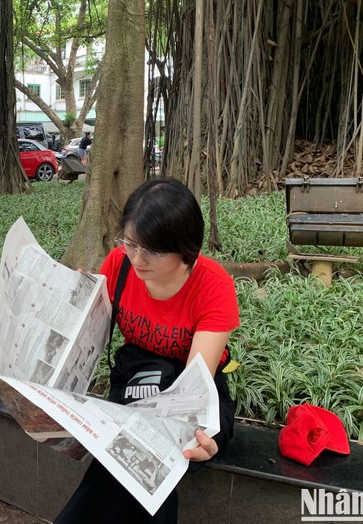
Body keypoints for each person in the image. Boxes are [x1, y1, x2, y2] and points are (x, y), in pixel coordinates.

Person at [55, 177, 239, 524]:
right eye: (130, 243)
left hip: (196, 389)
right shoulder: (119, 264)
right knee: (130, 446)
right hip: (136, 376)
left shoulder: (213, 285)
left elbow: (194, 386)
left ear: (186, 249)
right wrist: (76, 305)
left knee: (150, 445)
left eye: (152, 250)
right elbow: (88, 339)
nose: (137, 259)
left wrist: (194, 437)